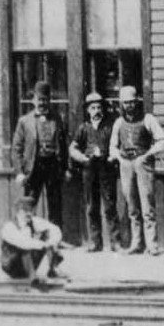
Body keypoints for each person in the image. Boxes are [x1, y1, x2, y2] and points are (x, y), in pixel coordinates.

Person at [111, 84, 164, 255]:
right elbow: (113, 146)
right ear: (121, 104)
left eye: (132, 102)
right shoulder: (118, 122)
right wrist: (119, 157)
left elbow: (163, 141)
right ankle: (137, 242)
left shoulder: (148, 119)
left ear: (137, 102)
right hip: (126, 164)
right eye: (125, 103)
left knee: (147, 203)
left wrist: (148, 154)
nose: (129, 106)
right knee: (131, 204)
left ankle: (152, 244)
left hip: (142, 163)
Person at [8, 83, 69, 227]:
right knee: (29, 203)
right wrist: (19, 172)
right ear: (33, 100)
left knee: (55, 204)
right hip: (33, 167)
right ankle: (27, 236)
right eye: (39, 99)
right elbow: (16, 148)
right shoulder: (24, 121)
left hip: (53, 165)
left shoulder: (57, 119)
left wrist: (66, 168)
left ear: (49, 100)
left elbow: (63, 145)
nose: (42, 103)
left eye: (45, 99)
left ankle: (55, 239)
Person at [69, 89, 120, 252]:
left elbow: (117, 146)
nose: (96, 111)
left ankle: (115, 242)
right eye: (93, 108)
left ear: (102, 109)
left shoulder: (110, 127)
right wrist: (82, 158)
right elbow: (73, 148)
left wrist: (112, 156)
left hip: (107, 170)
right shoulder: (83, 128)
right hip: (89, 172)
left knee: (110, 206)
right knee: (92, 207)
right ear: (87, 110)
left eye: (98, 107)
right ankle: (95, 242)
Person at [0, 209, 68, 289]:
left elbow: (55, 230)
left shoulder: (34, 222)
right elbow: (24, 243)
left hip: (27, 263)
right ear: (18, 213)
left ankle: (53, 270)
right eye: (25, 211)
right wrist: (43, 245)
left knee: (48, 233)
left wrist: (51, 242)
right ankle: (33, 279)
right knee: (26, 248)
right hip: (12, 266)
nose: (29, 214)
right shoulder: (9, 227)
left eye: (30, 211)